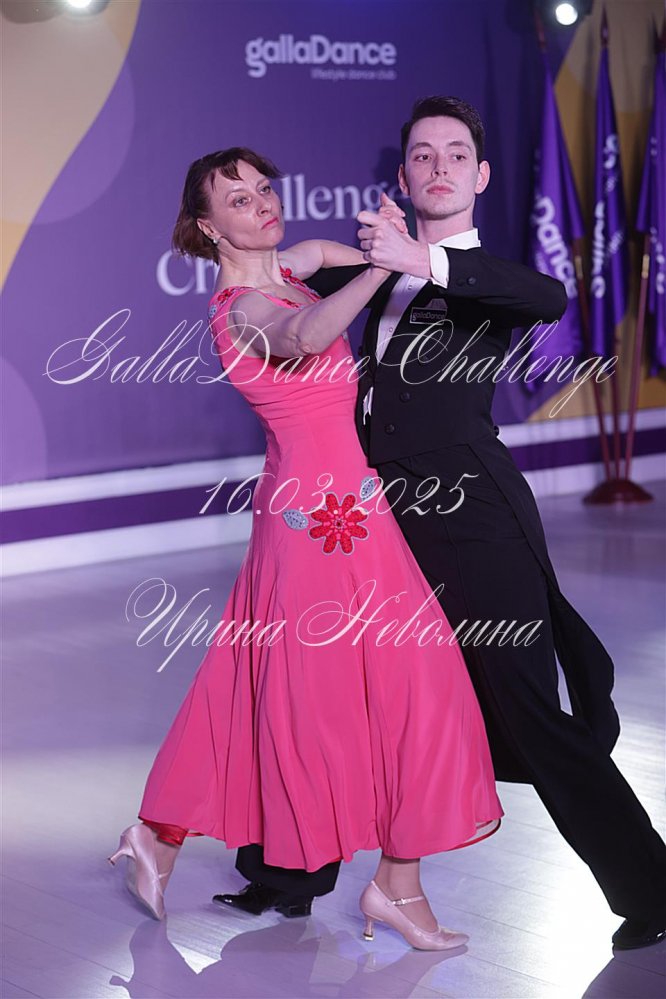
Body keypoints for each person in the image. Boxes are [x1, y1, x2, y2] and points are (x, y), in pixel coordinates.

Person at [108, 146, 504, 951]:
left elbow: (325, 254)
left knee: (402, 683)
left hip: (352, 516)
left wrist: (384, 237)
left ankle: (383, 881)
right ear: (207, 227)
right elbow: (305, 331)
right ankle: (384, 885)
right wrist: (382, 267)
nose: (261, 204)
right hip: (312, 536)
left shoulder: (291, 266)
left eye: (264, 189)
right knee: (318, 705)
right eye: (238, 199)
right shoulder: (240, 310)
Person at [305, 95, 666, 952]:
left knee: (529, 710)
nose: (439, 167)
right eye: (422, 155)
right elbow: (283, 288)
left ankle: (652, 887)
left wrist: (420, 259)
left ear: (482, 175)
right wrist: (337, 256)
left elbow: (545, 294)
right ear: (403, 176)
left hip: (476, 525)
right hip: (387, 530)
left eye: (456, 154)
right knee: (354, 699)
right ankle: (288, 873)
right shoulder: (377, 276)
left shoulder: (484, 279)